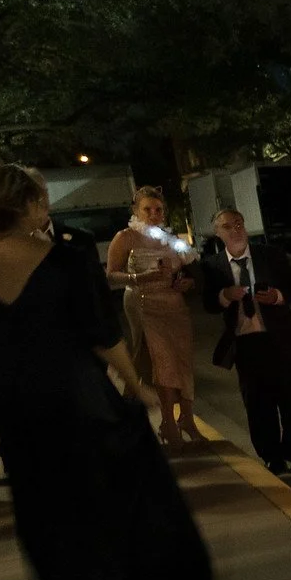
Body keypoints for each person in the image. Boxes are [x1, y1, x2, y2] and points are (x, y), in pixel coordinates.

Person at [0, 161, 212, 580]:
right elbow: (101, 334)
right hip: (74, 393)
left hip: (12, 403)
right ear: (28, 206)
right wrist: (135, 384)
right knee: (106, 494)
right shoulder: (61, 260)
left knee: (39, 504)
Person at [199, 209, 291, 474]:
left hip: (280, 338)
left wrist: (277, 296)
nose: (235, 230)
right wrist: (225, 295)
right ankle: (271, 456)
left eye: (239, 224)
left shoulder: (270, 255)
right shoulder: (213, 265)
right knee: (258, 405)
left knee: (290, 400)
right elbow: (208, 303)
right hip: (246, 344)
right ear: (218, 233)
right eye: (228, 227)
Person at [107, 186, 202, 448]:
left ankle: (187, 418)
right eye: (147, 209)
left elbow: (189, 271)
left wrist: (186, 282)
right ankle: (168, 423)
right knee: (161, 360)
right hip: (142, 301)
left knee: (182, 358)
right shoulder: (125, 237)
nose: (153, 214)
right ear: (136, 211)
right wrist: (139, 278)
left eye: (158, 209)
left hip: (174, 302)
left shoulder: (170, 239)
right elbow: (111, 274)